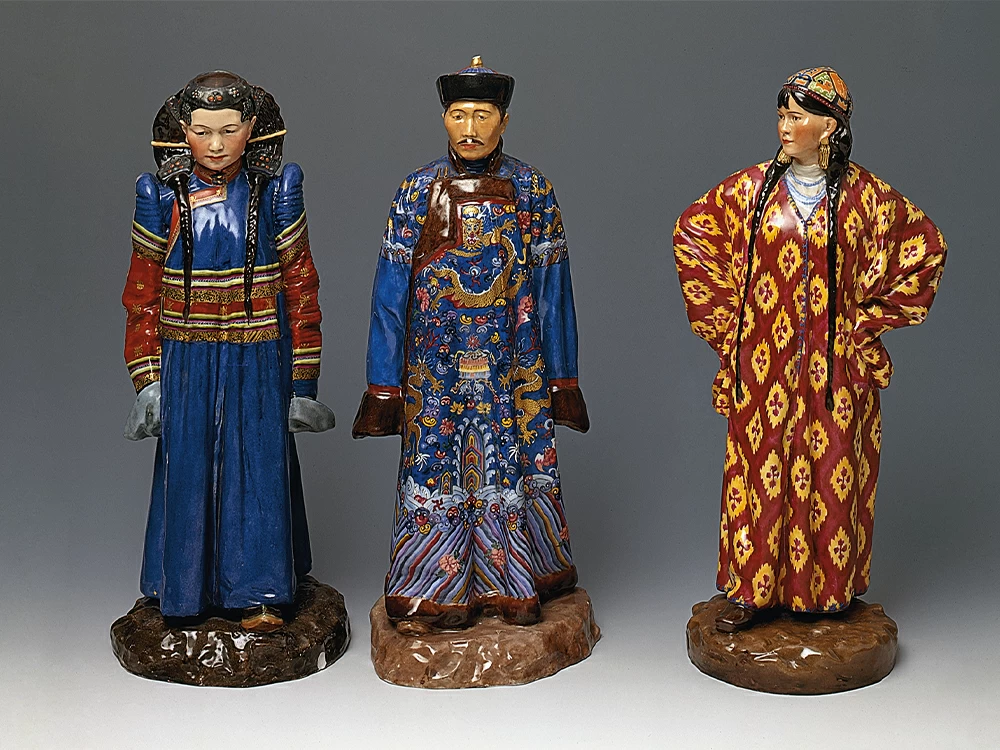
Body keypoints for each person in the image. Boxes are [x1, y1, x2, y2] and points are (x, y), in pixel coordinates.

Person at [673, 67, 946, 632]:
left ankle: (826, 593)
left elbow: (926, 248)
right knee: (758, 470)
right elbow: (692, 233)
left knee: (832, 468)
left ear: (829, 127)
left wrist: (867, 323)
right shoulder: (749, 191)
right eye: (782, 115)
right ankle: (752, 590)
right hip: (763, 367)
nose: (784, 127)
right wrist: (731, 324)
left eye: (797, 117)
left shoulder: (866, 197)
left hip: (836, 369)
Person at [353, 57, 589, 631]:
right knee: (435, 466)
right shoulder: (417, 189)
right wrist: (383, 385)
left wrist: (563, 378)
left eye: (483, 115)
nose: (470, 128)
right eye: (459, 115)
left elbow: (553, 289)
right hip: (436, 366)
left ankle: (514, 582)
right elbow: (389, 293)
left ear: (504, 121)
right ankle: (431, 588)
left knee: (511, 463)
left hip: (513, 364)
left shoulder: (532, 189)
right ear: (443, 118)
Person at [122, 71, 334, 633]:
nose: (215, 145)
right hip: (185, 361)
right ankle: (183, 591)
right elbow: (141, 294)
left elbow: (301, 286)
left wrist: (303, 383)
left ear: (252, 129)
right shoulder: (160, 198)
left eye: (229, 130)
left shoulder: (276, 193)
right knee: (187, 467)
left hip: (260, 357)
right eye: (202, 131)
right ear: (182, 132)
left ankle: (261, 591)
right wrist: (148, 380)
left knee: (258, 468)